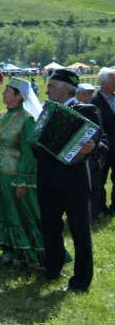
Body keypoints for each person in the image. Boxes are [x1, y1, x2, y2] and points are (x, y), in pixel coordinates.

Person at [33, 69, 106, 292]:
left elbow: (101, 142)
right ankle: (52, 268)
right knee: (50, 226)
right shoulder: (46, 110)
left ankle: (81, 280)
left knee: (79, 230)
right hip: (47, 178)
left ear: (66, 88)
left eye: (52, 86)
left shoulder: (86, 110)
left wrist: (92, 147)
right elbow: (36, 145)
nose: (47, 89)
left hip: (74, 181)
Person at [0, 77, 44, 269]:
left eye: (8, 91)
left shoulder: (27, 119)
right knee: (4, 213)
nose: (3, 93)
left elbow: (28, 153)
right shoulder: (1, 115)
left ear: (19, 97)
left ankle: (29, 255)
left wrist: (23, 181)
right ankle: (10, 250)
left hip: (14, 175)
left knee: (20, 215)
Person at [90, 67, 115, 217]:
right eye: (114, 81)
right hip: (104, 147)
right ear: (104, 83)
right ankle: (99, 208)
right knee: (100, 180)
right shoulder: (95, 101)